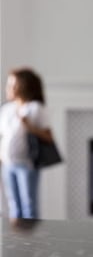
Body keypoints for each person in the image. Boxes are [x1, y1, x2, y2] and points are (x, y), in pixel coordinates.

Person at [0, 67, 54, 223]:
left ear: (23, 86)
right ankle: (19, 243)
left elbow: (48, 137)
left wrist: (29, 126)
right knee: (13, 206)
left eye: (13, 85)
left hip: (27, 164)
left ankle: (32, 243)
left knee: (29, 205)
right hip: (8, 164)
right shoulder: (6, 110)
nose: (9, 88)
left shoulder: (35, 108)